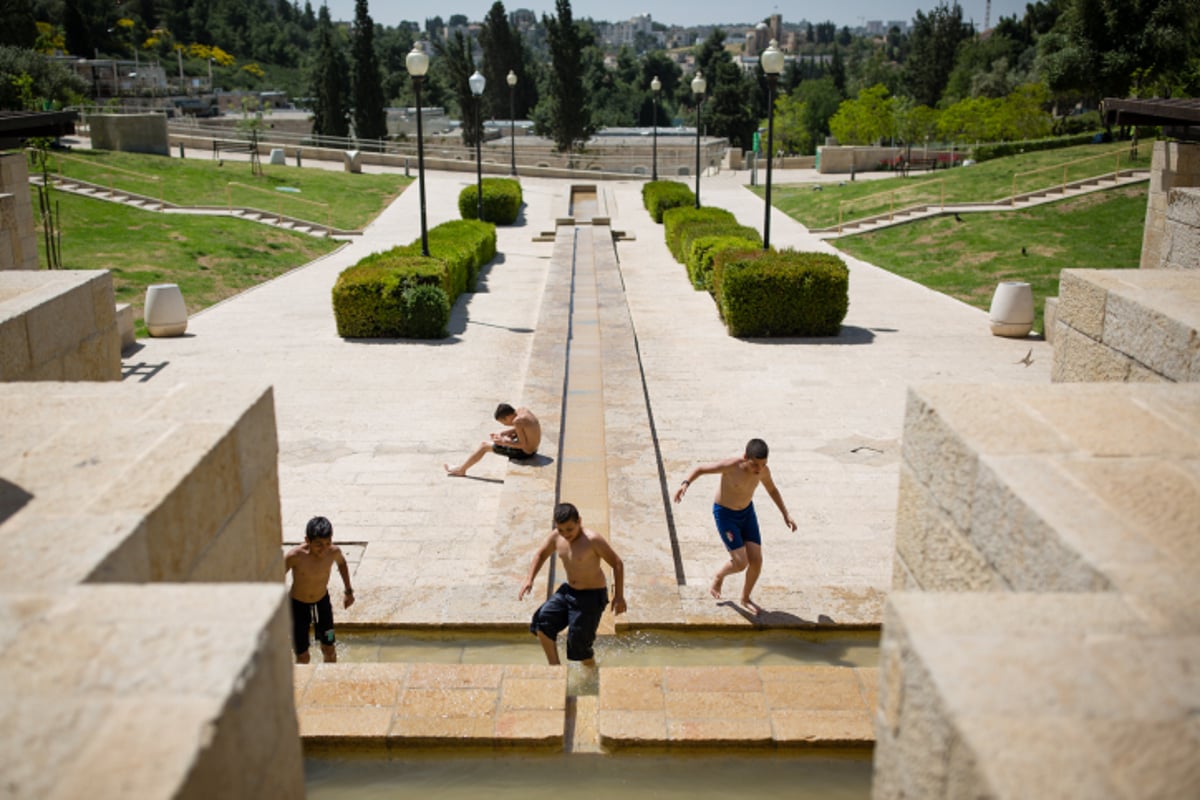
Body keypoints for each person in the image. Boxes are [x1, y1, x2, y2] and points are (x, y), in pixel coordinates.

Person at [673, 438, 796, 616]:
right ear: (745, 457)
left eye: (763, 464)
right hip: (726, 515)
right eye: (755, 464)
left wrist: (786, 514)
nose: (759, 469)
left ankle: (745, 598)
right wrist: (685, 484)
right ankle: (719, 576)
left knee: (757, 560)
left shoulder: (763, 472)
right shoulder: (731, 466)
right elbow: (700, 469)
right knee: (741, 563)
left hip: (747, 514)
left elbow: (773, 490)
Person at [518, 502, 626, 666]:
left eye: (570, 529)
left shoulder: (592, 540)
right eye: (561, 529)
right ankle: (555, 668)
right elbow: (540, 555)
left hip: (592, 596)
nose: (565, 534)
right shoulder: (556, 537)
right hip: (568, 592)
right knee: (542, 622)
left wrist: (619, 596)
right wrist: (529, 578)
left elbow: (617, 564)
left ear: (579, 522)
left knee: (578, 644)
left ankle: (591, 672)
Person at [284, 516, 354, 664]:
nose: (323, 549)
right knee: (302, 655)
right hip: (298, 607)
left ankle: (331, 680)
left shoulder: (333, 552)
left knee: (329, 649)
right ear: (307, 540)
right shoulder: (295, 556)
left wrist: (348, 591)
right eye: (318, 544)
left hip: (322, 605)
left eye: (327, 543)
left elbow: (342, 564)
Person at [445, 403, 541, 477]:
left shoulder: (517, 421)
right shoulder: (522, 411)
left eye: (504, 422)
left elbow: (523, 444)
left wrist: (503, 442)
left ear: (507, 417)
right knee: (500, 439)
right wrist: (504, 434)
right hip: (534, 447)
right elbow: (524, 428)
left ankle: (461, 470)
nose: (505, 425)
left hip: (526, 452)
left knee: (484, 446)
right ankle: (461, 469)